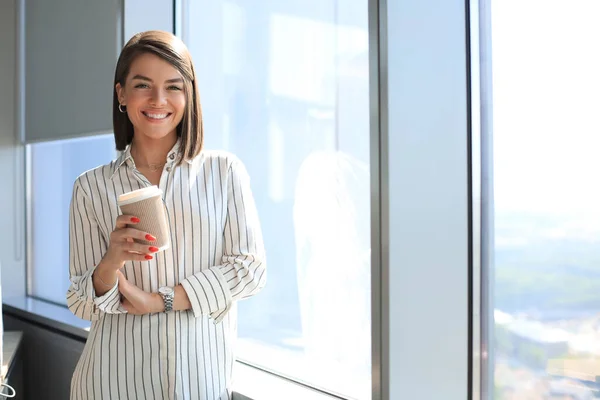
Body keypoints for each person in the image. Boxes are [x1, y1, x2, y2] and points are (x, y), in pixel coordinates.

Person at [66, 30, 266, 400]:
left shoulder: (224, 173)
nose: (159, 100)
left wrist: (162, 300)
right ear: (121, 94)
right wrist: (111, 262)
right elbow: (80, 302)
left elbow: (250, 270)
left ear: (189, 95)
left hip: (198, 384)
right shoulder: (90, 188)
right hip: (111, 384)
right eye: (143, 85)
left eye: (173, 86)